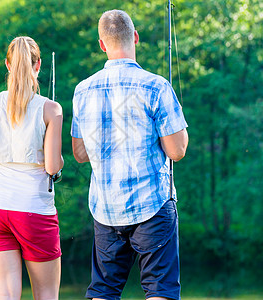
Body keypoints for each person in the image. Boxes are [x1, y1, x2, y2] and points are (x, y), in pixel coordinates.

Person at [71, 10, 189, 300]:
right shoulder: (157, 85)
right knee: (160, 290)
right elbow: (177, 150)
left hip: (106, 208)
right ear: (135, 37)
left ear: (102, 44)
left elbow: (79, 153)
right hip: (152, 204)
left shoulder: (82, 90)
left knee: (103, 290)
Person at [0, 36, 63, 300]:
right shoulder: (51, 109)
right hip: (34, 211)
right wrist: (59, 162)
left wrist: (0, 174)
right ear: (38, 65)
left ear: (8, 64)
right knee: (46, 295)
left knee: (6, 295)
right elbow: (53, 166)